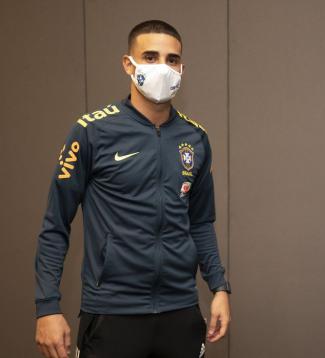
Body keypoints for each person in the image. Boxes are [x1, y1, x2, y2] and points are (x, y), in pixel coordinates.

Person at [34, 20, 231, 358]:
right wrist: (47, 307)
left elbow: (200, 223)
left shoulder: (195, 139)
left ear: (182, 69)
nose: (162, 68)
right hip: (112, 312)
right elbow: (55, 226)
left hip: (180, 311)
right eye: (151, 57)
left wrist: (219, 288)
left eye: (172, 60)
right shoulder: (92, 132)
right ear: (129, 64)